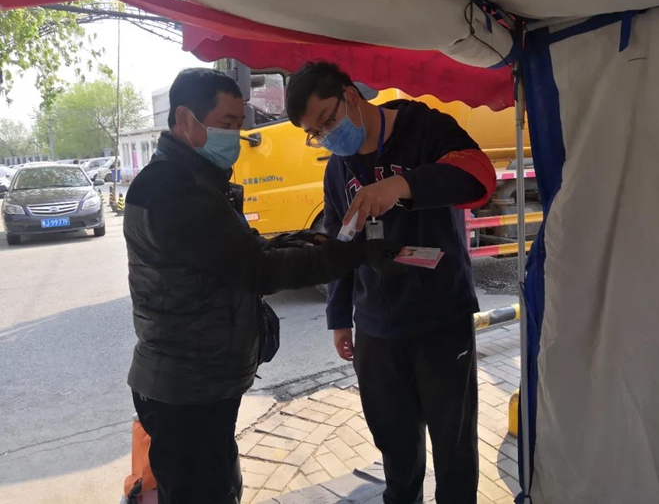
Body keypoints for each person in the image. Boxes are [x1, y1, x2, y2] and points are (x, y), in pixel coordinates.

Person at [123, 68, 401, 504]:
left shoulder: (193, 179)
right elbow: (257, 270)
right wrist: (353, 253)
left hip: (197, 381)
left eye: (239, 124)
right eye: (227, 123)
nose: (235, 136)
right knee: (203, 493)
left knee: (218, 485)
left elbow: (237, 249)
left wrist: (302, 241)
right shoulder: (172, 191)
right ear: (185, 119)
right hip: (186, 386)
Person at [286, 62, 497, 504]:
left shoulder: (424, 128)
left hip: (441, 318)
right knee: (395, 447)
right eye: (316, 133)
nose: (327, 135)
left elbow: (480, 176)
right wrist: (339, 317)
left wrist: (401, 185)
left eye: (327, 120)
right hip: (377, 328)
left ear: (351, 95)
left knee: (454, 446)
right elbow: (339, 243)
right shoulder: (338, 168)